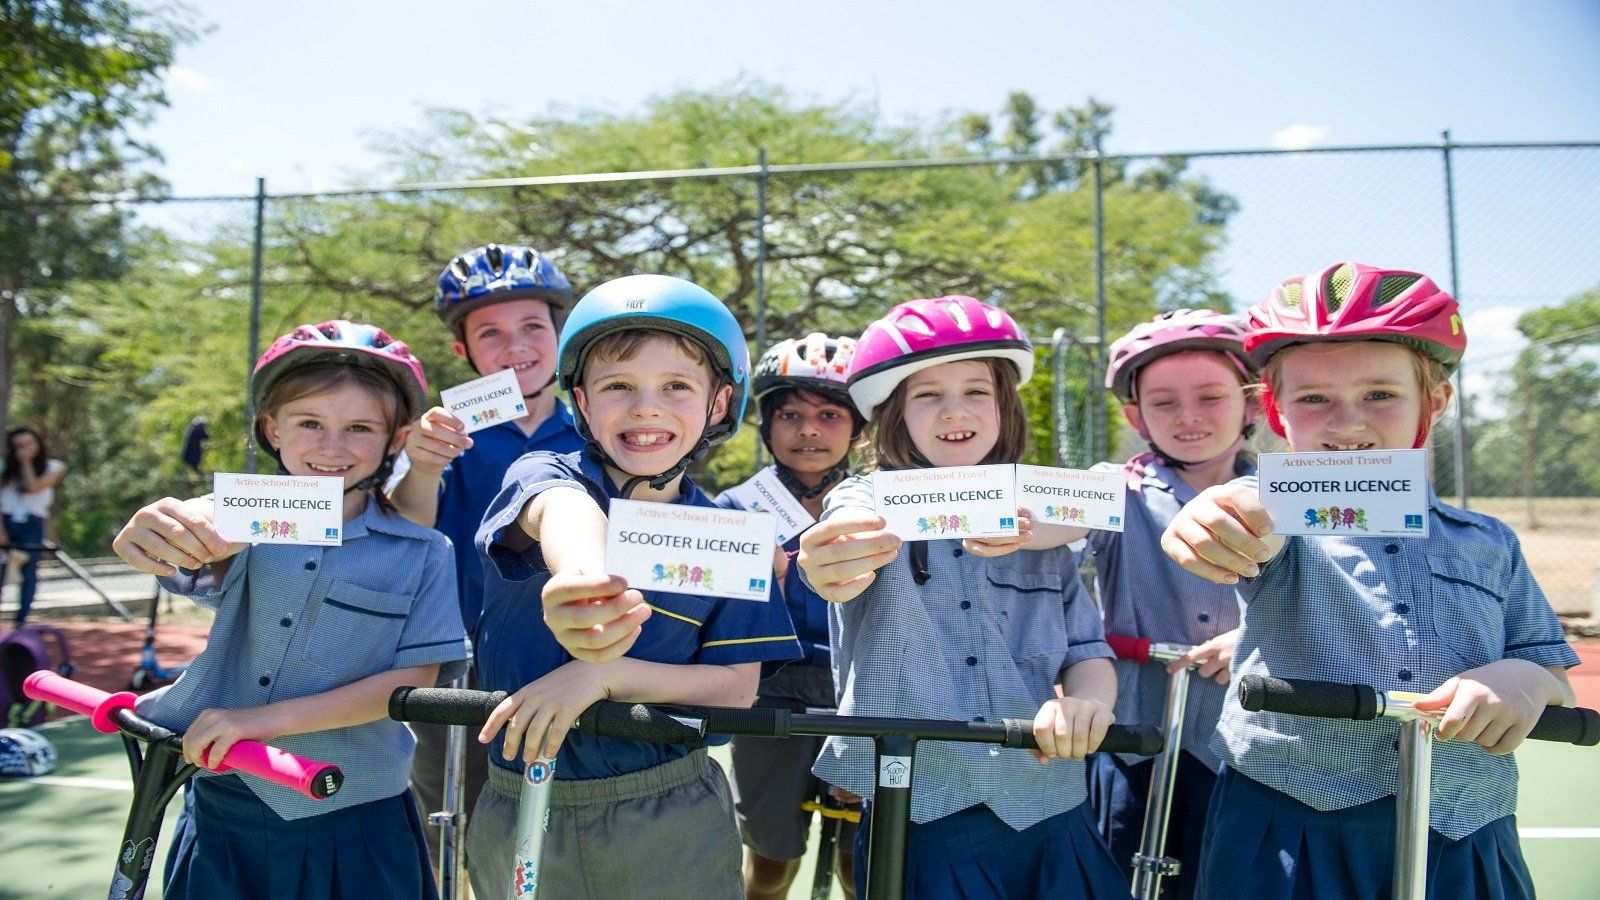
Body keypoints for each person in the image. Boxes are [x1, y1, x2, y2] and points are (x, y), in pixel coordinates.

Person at [1160, 262, 1580, 900]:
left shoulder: (1490, 543)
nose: (1347, 423)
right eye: (1314, 399)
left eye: (1379, 395)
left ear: (1432, 403)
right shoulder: (1278, 518)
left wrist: (1521, 679)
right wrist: (1215, 519)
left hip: (1465, 829)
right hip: (1287, 832)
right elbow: (1247, 511)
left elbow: (1552, 675)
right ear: (1277, 412)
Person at [466, 274, 802, 900]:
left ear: (719, 403)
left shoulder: (733, 534)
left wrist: (604, 675)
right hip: (519, 797)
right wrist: (583, 584)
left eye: (676, 386)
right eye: (618, 386)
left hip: (672, 810)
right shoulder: (541, 473)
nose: (646, 406)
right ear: (582, 405)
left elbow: (734, 691)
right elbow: (562, 511)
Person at [112, 320, 469, 900]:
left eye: (359, 428)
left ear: (395, 440)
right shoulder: (238, 520)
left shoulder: (425, 551)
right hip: (227, 803)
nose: (332, 447)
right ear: (272, 430)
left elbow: (413, 681)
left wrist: (261, 721)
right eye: (310, 424)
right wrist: (154, 536)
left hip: (358, 810)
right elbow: (189, 536)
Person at [798, 296, 1129, 900]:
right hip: (919, 814)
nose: (955, 410)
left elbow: (1086, 647)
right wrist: (828, 557)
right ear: (892, 414)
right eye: (927, 395)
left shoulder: (1038, 519)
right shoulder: (866, 497)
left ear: (1005, 405)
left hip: (1050, 806)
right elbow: (837, 540)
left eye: (977, 391)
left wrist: (1088, 704)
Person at [386, 243, 585, 871]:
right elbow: (407, 517)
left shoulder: (600, 423)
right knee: (451, 833)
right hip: (457, 664)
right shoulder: (445, 432)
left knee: (568, 832)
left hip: (575, 658)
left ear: (561, 335)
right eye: (490, 333)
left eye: (533, 327)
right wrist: (420, 464)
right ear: (463, 352)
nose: (515, 346)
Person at [1082, 309, 1261, 899]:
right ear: (1135, 416)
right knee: (1122, 875)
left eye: (1211, 397)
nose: (1188, 417)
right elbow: (1051, 521)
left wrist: (1257, 637)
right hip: (1139, 739)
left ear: (1253, 404)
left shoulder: (1295, 493)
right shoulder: (1117, 487)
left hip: (1251, 746)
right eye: (1163, 403)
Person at [716, 333, 865, 900]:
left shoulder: (882, 504)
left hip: (862, 697)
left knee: (863, 868)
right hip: (768, 699)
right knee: (771, 866)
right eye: (790, 415)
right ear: (766, 425)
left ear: (858, 428)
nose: (809, 429)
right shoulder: (732, 508)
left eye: (830, 415)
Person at [0, 427, 67, 627]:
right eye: (19, 446)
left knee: (29, 572)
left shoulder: (53, 467)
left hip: (32, 522)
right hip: (5, 520)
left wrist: (26, 462)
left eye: (29, 444)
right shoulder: (4, 468)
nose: (25, 449)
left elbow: (33, 486)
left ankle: (21, 621)